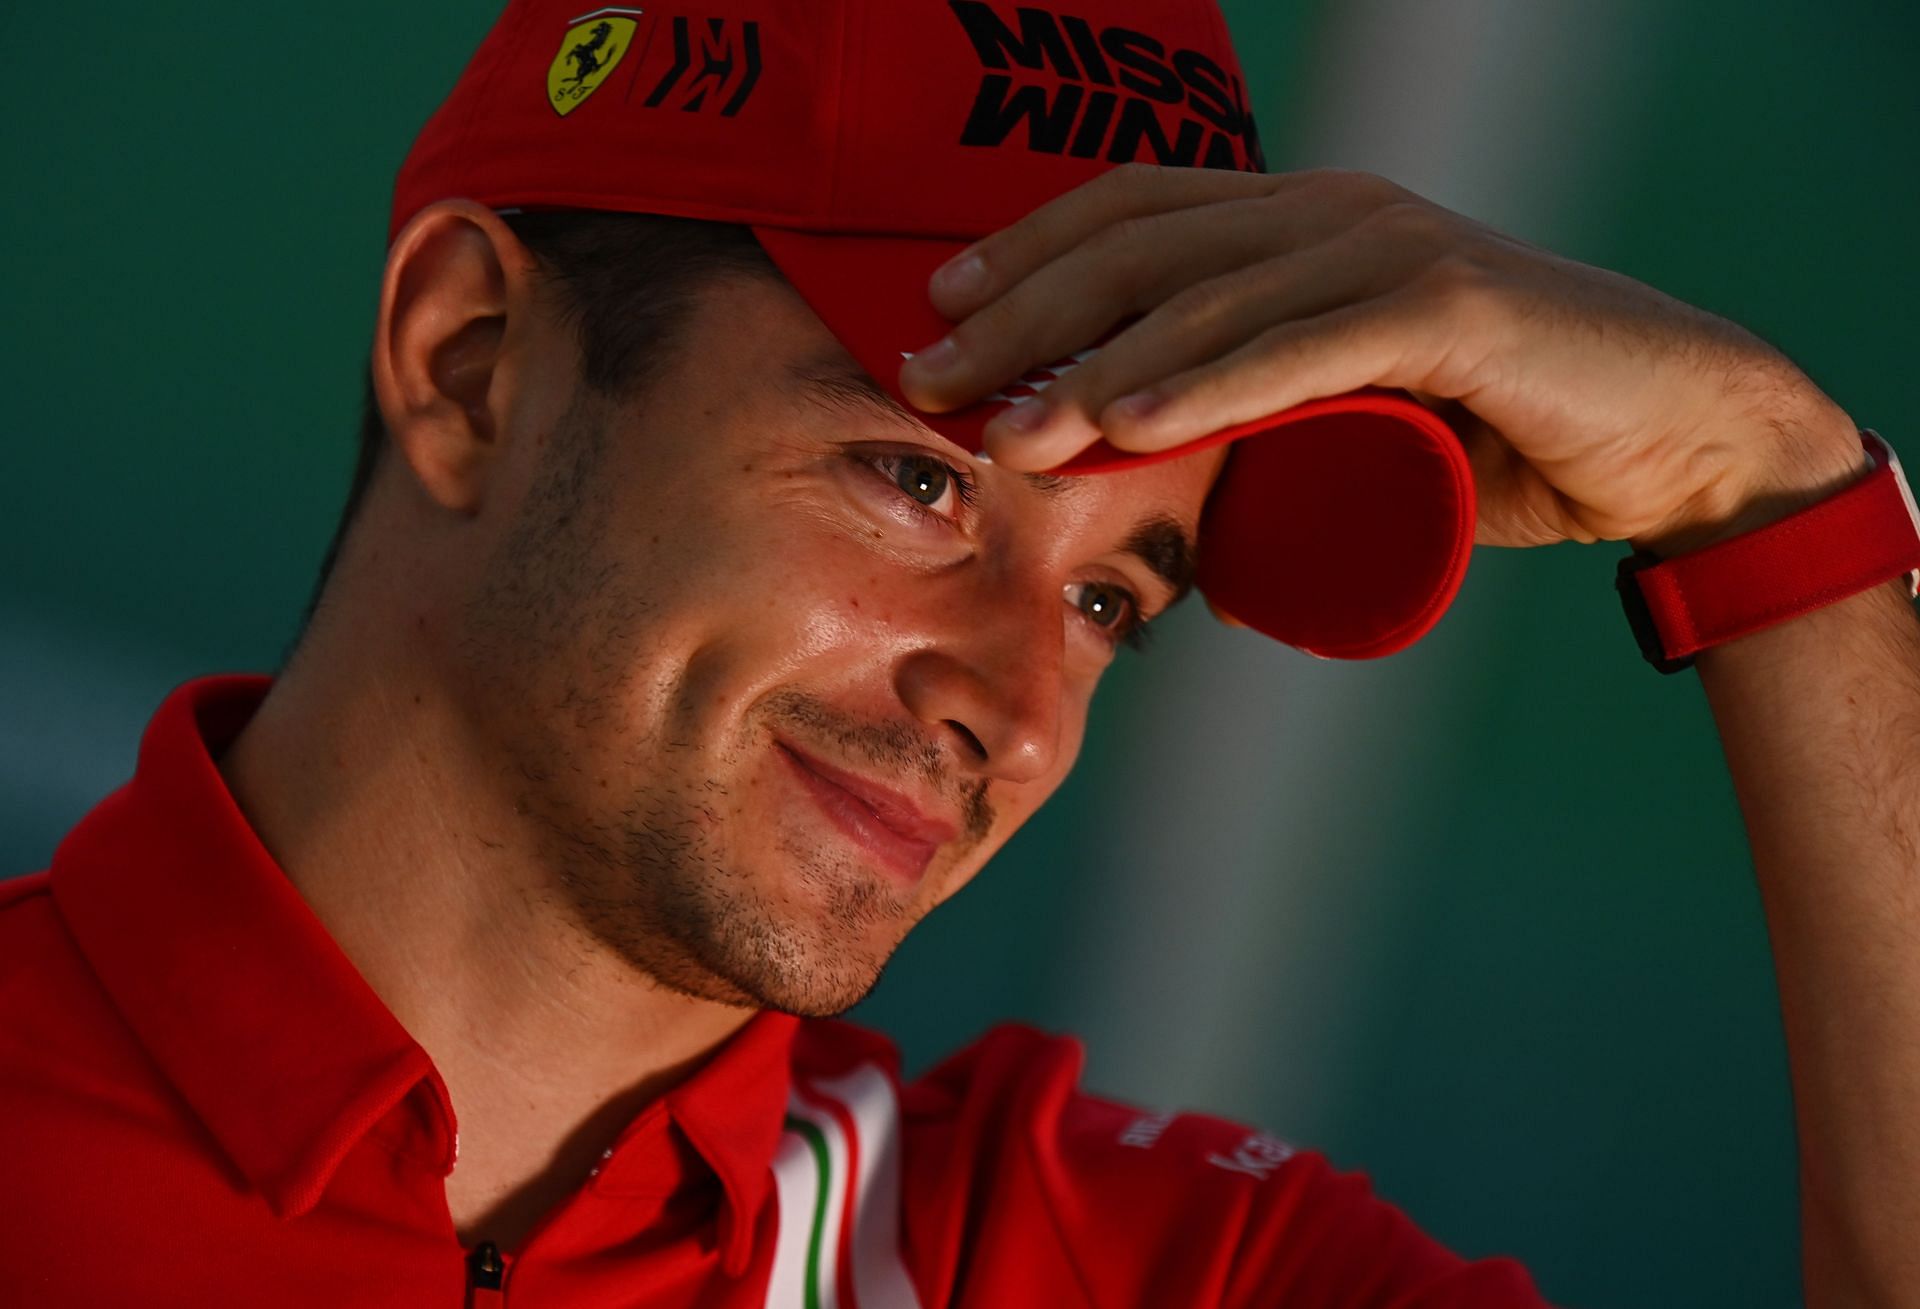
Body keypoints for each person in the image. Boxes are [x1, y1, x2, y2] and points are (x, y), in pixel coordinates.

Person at [5, 0, 1917, 1304]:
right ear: (475, 368)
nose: (1012, 708)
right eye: (917, 482)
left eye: (1112, 598)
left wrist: (1779, 510)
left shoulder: (1127, 1267)